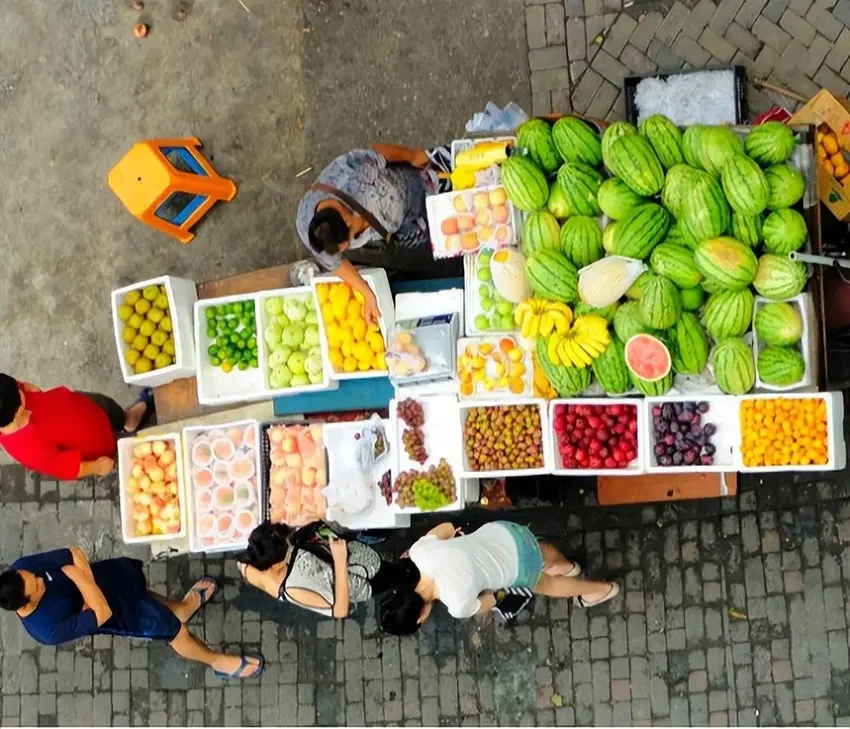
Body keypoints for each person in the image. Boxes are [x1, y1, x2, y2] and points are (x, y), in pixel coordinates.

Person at [0, 547, 263, 678]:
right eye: (37, 586)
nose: (39, 578)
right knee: (175, 632)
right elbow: (102, 613)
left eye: (34, 576)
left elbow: (74, 553)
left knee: (141, 591)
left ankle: (181, 608)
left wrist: (88, 589)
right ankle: (217, 662)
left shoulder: (23, 568)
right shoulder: (46, 629)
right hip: (121, 614)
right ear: (26, 603)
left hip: (108, 579)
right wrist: (77, 577)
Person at [377, 521, 620, 636]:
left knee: (546, 584)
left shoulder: (458, 606)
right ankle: (568, 566)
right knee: (538, 547)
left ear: (420, 617)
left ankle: (601, 589)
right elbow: (447, 528)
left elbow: (495, 598)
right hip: (506, 532)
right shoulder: (420, 552)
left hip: (519, 567)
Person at [295, 145, 449, 324]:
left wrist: (413, 156)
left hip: (416, 184)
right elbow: (335, 263)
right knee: (443, 235)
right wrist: (366, 293)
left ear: (346, 218)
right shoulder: (312, 228)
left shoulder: (352, 175)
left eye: (352, 237)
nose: (353, 243)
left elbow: (379, 152)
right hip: (405, 225)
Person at [0, 373, 155, 480]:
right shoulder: (28, 449)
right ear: (17, 411)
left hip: (84, 404)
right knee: (123, 456)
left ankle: (127, 421)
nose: (23, 390)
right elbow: (65, 468)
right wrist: (97, 467)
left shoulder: (7, 392)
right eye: (20, 396)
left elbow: (24, 386)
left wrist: (25, 387)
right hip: (92, 445)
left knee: (110, 409)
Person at [238, 522, 408, 618]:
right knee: (392, 576)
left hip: (335, 556)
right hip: (359, 578)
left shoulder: (250, 560)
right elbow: (339, 610)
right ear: (277, 565)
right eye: (287, 543)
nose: (289, 540)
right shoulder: (295, 588)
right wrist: (340, 561)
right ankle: (408, 577)